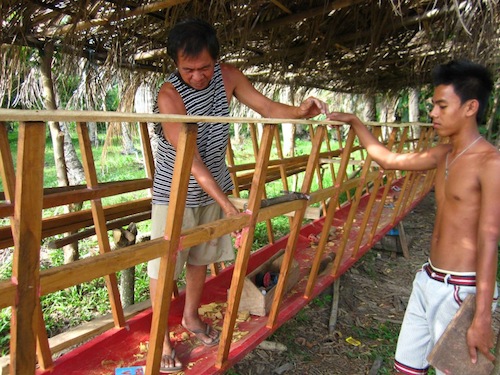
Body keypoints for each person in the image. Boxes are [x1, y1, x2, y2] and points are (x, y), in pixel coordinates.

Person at [148, 18, 328, 373]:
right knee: (166, 265)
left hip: (213, 186)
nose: (198, 76)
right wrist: (228, 205)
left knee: (202, 257)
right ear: (175, 64)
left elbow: (267, 108)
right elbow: (191, 161)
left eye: (204, 68)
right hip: (176, 191)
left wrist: (299, 112)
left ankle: (191, 318)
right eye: (189, 69)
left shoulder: (229, 76)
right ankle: (161, 337)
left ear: (216, 61)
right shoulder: (169, 95)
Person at [327, 59, 499, 375]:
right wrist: (355, 122)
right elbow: (388, 159)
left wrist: (483, 316)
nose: (432, 113)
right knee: (405, 369)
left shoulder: (491, 163)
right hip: (427, 279)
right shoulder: (443, 154)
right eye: (433, 105)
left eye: (441, 105)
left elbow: (489, 240)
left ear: (470, 107)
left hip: (461, 291)